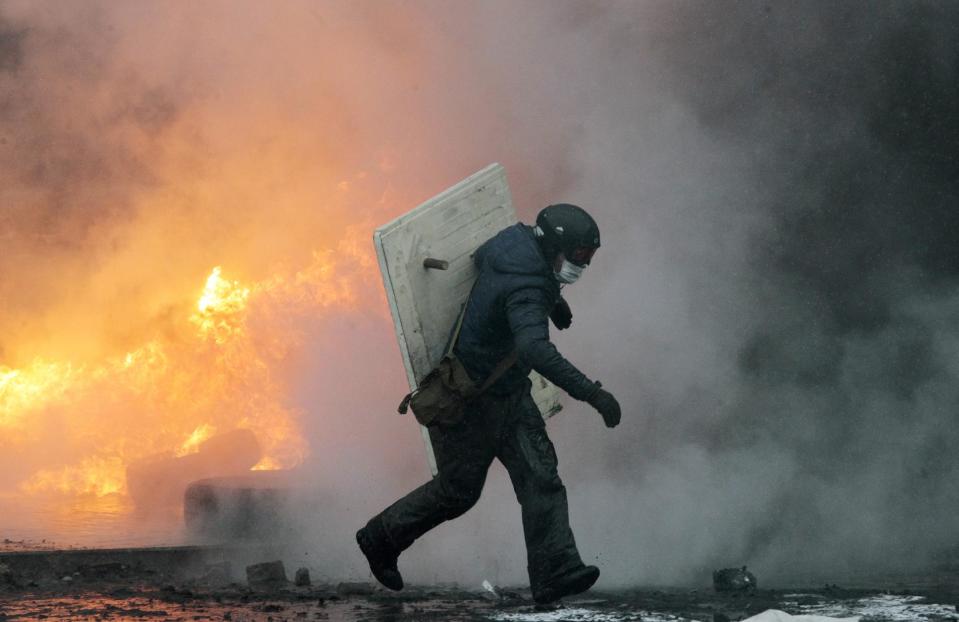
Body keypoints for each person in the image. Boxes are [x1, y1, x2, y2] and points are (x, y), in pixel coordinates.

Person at [357, 203, 622, 604]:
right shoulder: (528, 289)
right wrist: (593, 393)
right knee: (458, 492)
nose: (583, 264)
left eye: (589, 256)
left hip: (509, 394)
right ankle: (379, 538)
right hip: (472, 401)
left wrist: (553, 300)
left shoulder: (514, 241)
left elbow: (490, 264)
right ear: (554, 247)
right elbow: (535, 348)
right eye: (580, 255)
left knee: (541, 478)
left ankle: (555, 571)